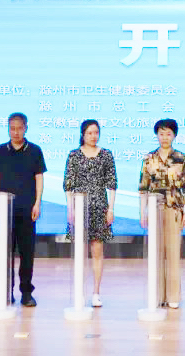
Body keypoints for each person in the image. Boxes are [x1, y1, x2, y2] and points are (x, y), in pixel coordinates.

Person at [0, 112, 47, 307]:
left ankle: (26, 293)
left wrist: (37, 203)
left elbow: (39, 178)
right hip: (6, 211)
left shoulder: (35, 151)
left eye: (19, 128)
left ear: (26, 128)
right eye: (12, 129)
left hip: (27, 210)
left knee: (26, 254)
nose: (15, 132)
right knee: (6, 253)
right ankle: (7, 291)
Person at [138, 118, 185, 309]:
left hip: (174, 209)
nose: (164, 137)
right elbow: (143, 188)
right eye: (161, 134)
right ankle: (158, 295)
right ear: (157, 135)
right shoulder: (149, 158)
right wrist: (142, 212)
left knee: (173, 252)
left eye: (168, 134)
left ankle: (173, 296)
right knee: (156, 252)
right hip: (154, 210)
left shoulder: (181, 158)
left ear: (174, 136)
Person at [62, 119, 118, 307]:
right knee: (79, 251)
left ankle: (96, 292)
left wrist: (111, 208)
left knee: (97, 250)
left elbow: (112, 184)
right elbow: (68, 184)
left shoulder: (106, 155)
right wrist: (70, 209)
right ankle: (79, 292)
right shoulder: (74, 155)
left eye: (96, 132)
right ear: (83, 134)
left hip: (100, 206)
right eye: (89, 133)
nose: (93, 136)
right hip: (79, 206)